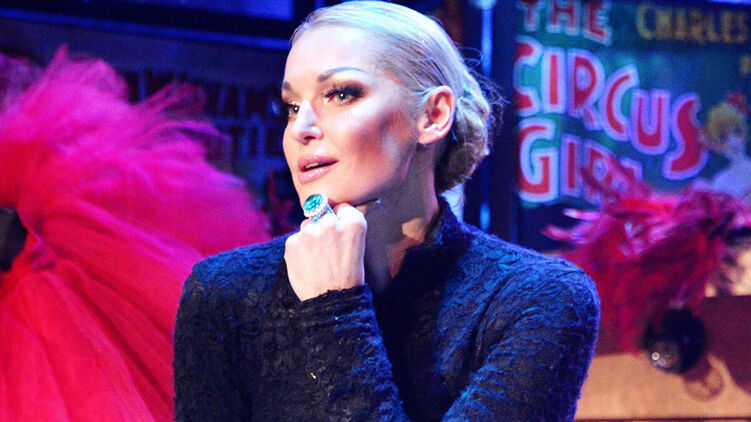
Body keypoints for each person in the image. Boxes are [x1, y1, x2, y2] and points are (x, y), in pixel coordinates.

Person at [173, 2, 599, 421]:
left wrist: (334, 310)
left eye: (340, 94)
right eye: (292, 107)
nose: (301, 129)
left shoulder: (540, 298)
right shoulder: (224, 292)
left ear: (433, 115)